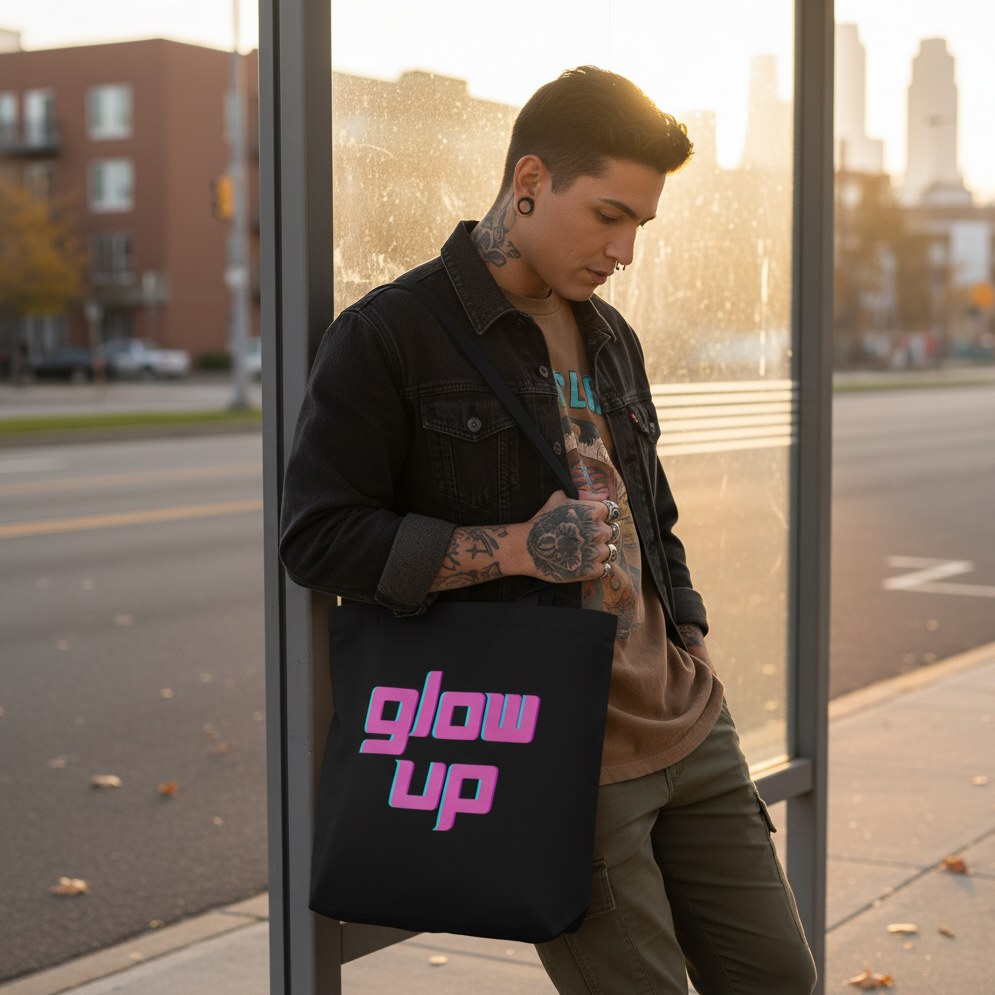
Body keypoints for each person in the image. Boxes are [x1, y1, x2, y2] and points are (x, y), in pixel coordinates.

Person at [280, 66, 816, 995]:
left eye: (640, 225)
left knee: (778, 976)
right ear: (528, 181)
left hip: (689, 724)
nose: (625, 250)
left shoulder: (608, 335)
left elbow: (652, 506)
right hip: (558, 754)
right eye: (608, 215)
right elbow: (320, 538)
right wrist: (520, 545)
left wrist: (684, 629)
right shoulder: (391, 335)